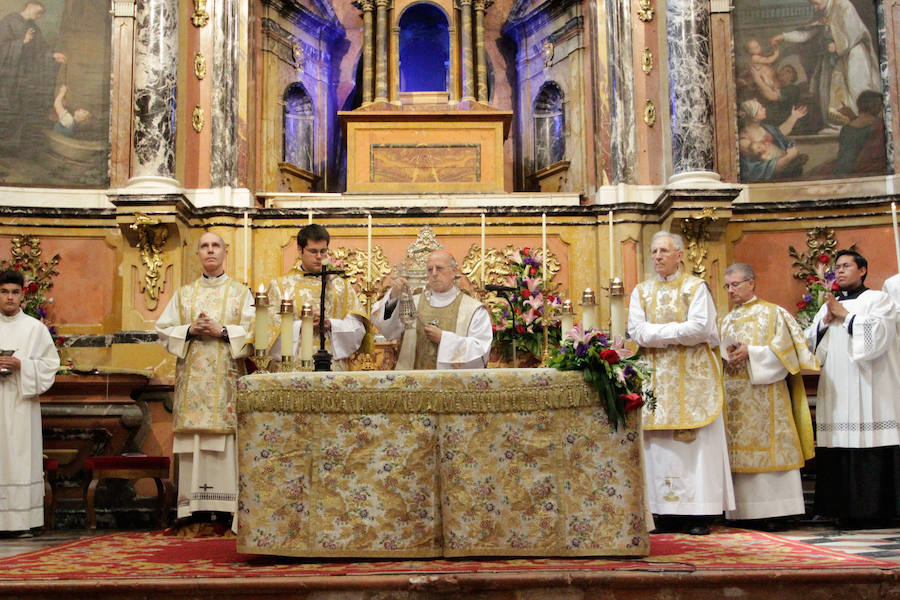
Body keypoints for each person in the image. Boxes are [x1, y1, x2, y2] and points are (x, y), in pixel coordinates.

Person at [627, 231, 734, 535]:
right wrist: (676, 333)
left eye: (664, 250)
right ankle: (663, 513)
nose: (657, 256)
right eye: (654, 251)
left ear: (679, 255)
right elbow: (637, 332)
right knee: (658, 447)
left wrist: (658, 333)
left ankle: (699, 513)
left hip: (693, 378)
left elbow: (700, 328)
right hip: (656, 378)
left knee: (695, 445)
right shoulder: (641, 291)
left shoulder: (695, 287)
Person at [155, 232, 254, 530]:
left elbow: (255, 332)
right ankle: (193, 509)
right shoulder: (184, 294)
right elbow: (163, 329)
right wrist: (189, 330)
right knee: (194, 442)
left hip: (225, 381)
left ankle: (226, 510)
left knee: (224, 439)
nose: (210, 250)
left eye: (215, 246)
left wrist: (221, 331)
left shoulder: (241, 293)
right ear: (198, 253)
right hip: (193, 380)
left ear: (225, 252)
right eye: (204, 246)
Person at [805, 250, 900, 528]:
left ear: (863, 270)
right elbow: (810, 344)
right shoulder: (828, 305)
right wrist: (824, 322)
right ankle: (840, 510)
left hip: (871, 384)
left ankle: (876, 512)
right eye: (837, 267)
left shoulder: (878, 299)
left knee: (869, 443)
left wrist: (845, 316)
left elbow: (879, 338)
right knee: (838, 445)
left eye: (847, 266)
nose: (840, 271)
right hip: (837, 383)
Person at [720, 263, 818, 530]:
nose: (731, 290)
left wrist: (751, 352)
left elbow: (787, 353)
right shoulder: (726, 320)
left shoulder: (774, 313)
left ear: (751, 283)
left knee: (771, 452)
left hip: (766, 396)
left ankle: (777, 512)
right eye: (727, 286)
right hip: (735, 397)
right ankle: (743, 513)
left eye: (735, 284)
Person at [0, 268, 59, 536]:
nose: (9, 297)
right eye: (4, 292)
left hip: (21, 404)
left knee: (20, 458)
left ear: (23, 295)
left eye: (15, 292)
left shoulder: (35, 328)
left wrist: (21, 364)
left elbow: (50, 366)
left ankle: (22, 521)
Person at [266, 224, 367, 369]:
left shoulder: (340, 286)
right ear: (300, 250)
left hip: (332, 367)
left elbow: (357, 329)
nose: (319, 257)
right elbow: (267, 330)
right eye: (313, 251)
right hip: (293, 368)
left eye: (323, 251)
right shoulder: (280, 286)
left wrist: (330, 324)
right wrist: (301, 326)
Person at [371, 249, 492, 369]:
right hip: (413, 379)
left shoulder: (473, 309)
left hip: (453, 381)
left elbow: (481, 350)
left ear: (454, 271)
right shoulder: (411, 304)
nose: (434, 273)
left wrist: (443, 339)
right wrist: (393, 297)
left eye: (439, 268)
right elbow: (386, 329)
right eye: (430, 269)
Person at [771, 0, 880, 132]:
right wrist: (784, 36)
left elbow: (855, 32)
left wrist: (837, 45)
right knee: (826, 90)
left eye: (814, 2)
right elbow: (807, 33)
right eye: (811, 3)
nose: (814, 6)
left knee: (855, 88)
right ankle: (838, 126)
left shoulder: (843, 5)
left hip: (853, 54)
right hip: (833, 58)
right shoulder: (822, 12)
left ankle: (861, 124)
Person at [0, 2, 67, 152]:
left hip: (26, 78)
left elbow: (40, 50)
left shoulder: (34, 28)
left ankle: (14, 148)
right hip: (8, 78)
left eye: (41, 13)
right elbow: (1, 48)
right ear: (30, 5)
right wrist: (21, 43)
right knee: (6, 110)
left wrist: (53, 55)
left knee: (23, 109)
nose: (40, 15)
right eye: (39, 11)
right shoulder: (9, 22)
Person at [738, 98, 808, 182]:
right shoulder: (744, 140)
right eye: (761, 108)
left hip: (785, 170)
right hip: (771, 180)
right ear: (754, 115)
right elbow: (761, 170)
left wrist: (794, 117)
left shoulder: (765, 127)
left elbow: (780, 132)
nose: (764, 109)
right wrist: (789, 157)